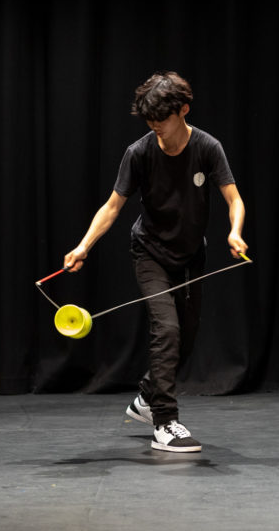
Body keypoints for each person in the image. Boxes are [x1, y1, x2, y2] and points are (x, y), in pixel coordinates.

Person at [63, 72, 247, 453]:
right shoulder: (140, 152)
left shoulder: (208, 148)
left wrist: (235, 231)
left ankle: (147, 397)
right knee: (167, 330)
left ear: (183, 110)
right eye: (150, 124)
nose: (156, 130)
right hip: (149, 253)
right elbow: (113, 207)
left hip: (191, 254)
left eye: (161, 122)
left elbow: (234, 199)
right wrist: (83, 247)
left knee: (187, 337)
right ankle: (165, 421)